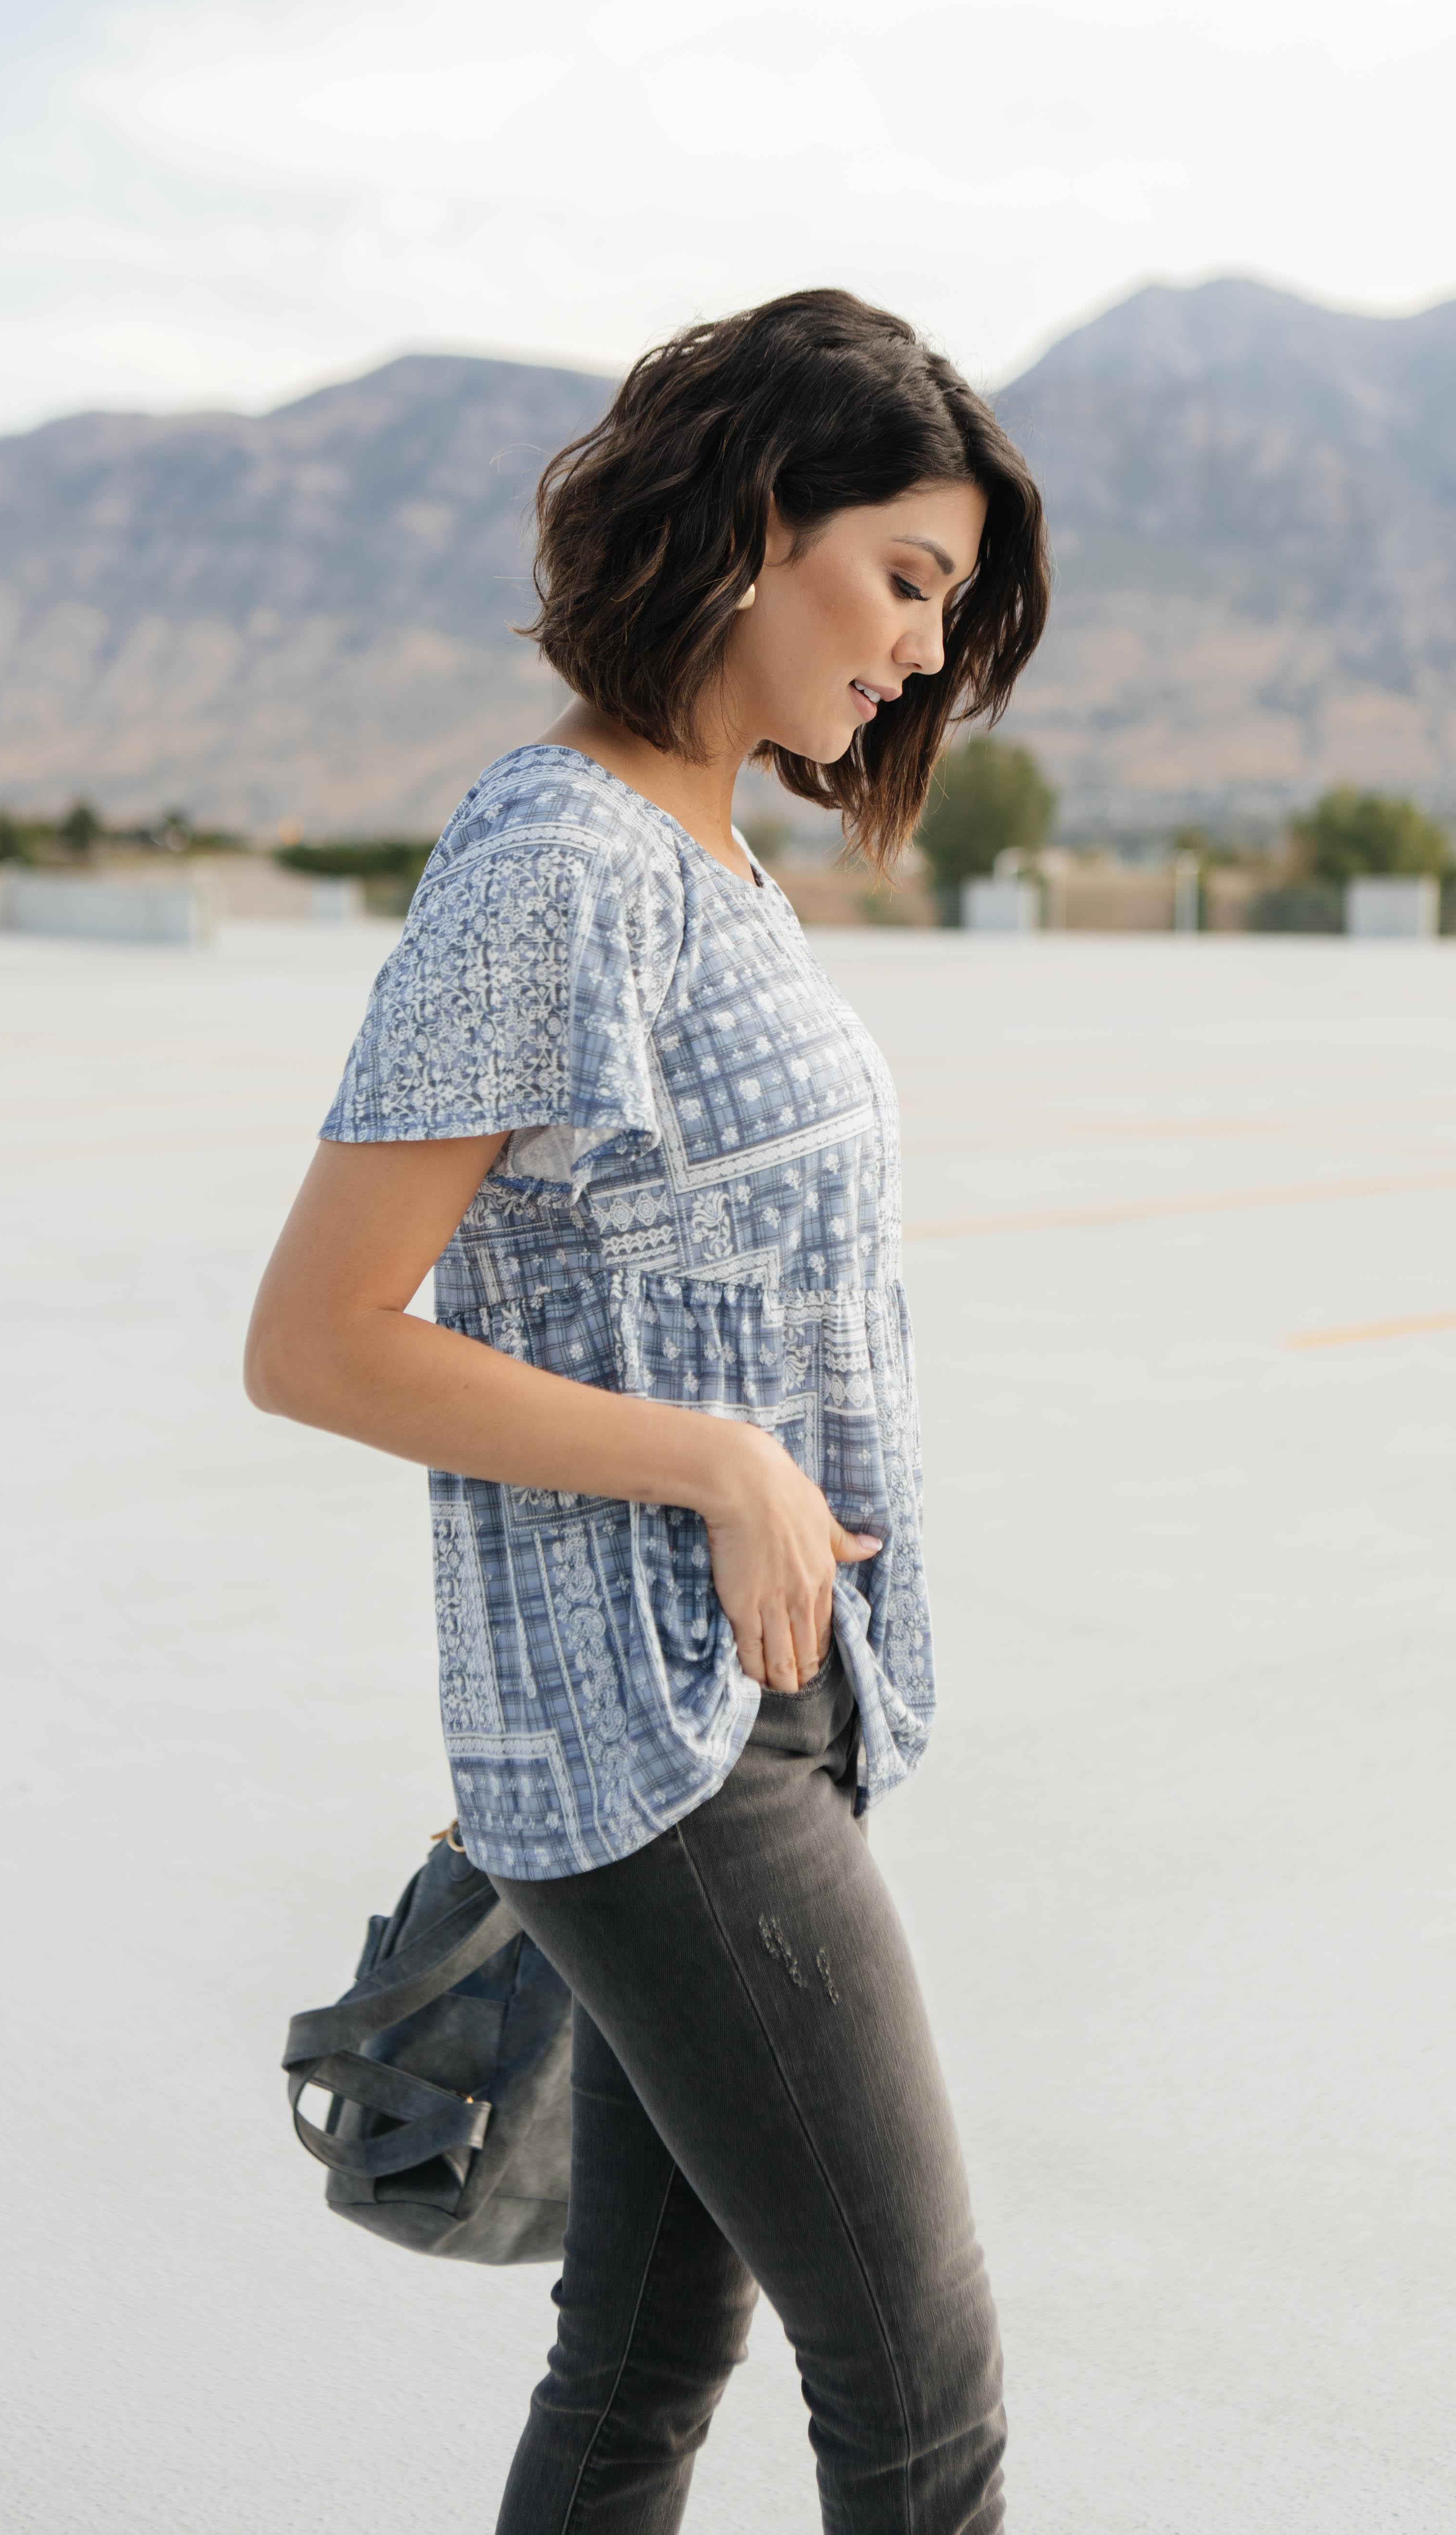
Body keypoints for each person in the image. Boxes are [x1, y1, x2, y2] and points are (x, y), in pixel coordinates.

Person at [245, 287, 1050, 2534]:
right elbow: (318, 1332)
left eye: (950, 608)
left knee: (649, 2340)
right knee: (921, 2388)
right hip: (667, 1749)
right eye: (905, 575)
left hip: (749, 1706)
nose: (922, 650)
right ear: (758, 514)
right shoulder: (560, 862)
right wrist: (717, 1455)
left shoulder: (702, 852)